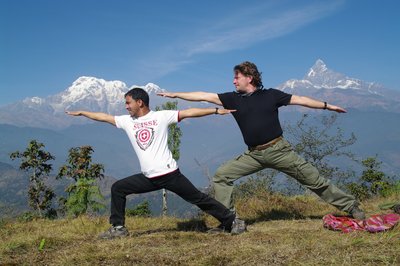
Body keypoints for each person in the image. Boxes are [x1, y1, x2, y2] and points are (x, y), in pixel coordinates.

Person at [158, 61, 366, 228]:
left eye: (236, 77)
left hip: (279, 151)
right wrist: (176, 94)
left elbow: (301, 99)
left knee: (315, 180)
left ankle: (351, 206)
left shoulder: (271, 95)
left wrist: (328, 106)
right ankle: (228, 221)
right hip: (254, 155)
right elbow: (204, 96)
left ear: (249, 78)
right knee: (222, 176)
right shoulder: (232, 99)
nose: (233, 82)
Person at [66, 87, 246, 239]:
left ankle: (233, 221)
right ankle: (118, 228)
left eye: (128, 102)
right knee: (118, 188)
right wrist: (82, 113)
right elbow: (103, 117)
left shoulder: (161, 117)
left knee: (199, 199)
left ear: (140, 102)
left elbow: (189, 112)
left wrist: (215, 111)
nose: (126, 106)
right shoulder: (127, 121)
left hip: (169, 175)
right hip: (149, 177)